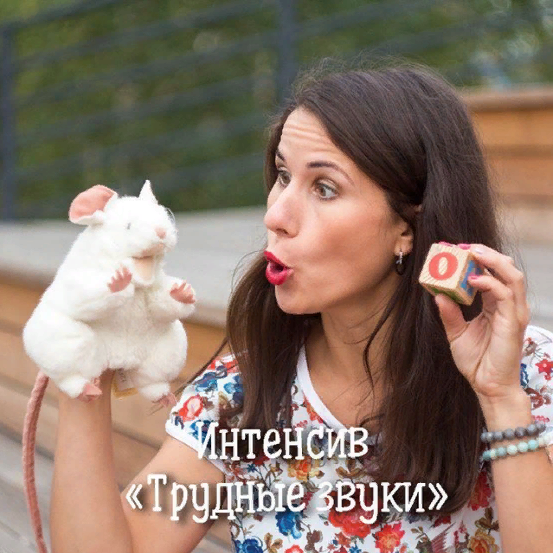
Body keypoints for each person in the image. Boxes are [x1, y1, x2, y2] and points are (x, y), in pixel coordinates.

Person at [50, 61, 553, 553]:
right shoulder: (239, 397)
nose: (276, 215)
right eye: (282, 175)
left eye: (324, 188)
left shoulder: (527, 375)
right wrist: (84, 363)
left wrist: (500, 399)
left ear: (408, 227)